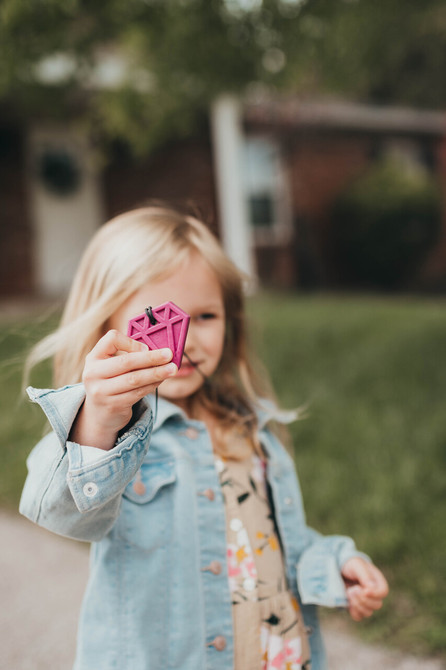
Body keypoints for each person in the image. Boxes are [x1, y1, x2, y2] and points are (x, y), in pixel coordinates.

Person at [20, 205, 388, 670]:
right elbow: (59, 510)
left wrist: (333, 562)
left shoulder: (249, 427)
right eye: (160, 317)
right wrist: (98, 419)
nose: (187, 338)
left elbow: (266, 539)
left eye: (207, 315)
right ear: (106, 329)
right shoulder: (117, 435)